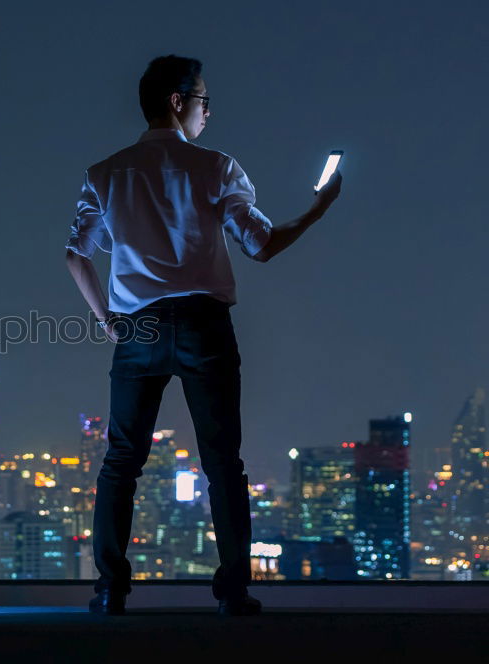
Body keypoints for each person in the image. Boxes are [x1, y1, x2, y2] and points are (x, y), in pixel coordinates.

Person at [64, 54, 342, 617]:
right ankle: (233, 592)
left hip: (136, 327)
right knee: (222, 463)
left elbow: (76, 256)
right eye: (204, 101)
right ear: (178, 101)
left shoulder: (105, 173)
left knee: (121, 462)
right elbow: (260, 245)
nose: (208, 113)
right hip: (202, 324)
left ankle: (111, 589)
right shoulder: (217, 167)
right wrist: (317, 210)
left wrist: (107, 319)